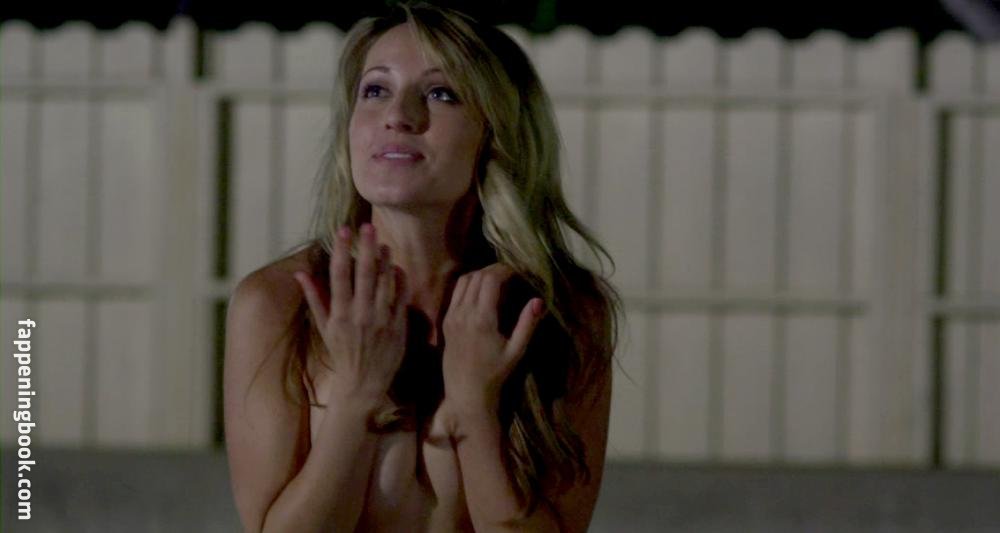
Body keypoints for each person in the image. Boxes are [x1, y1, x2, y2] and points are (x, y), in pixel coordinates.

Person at [223, 3, 620, 532]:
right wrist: (356, 396)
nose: (398, 116)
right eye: (375, 90)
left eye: (441, 94)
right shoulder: (277, 303)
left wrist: (475, 408)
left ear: (496, 133)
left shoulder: (564, 311)